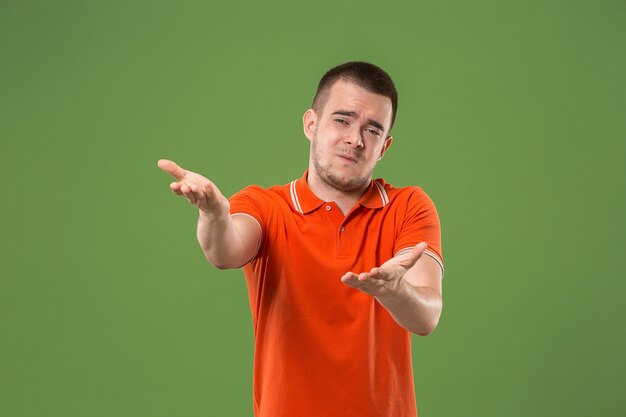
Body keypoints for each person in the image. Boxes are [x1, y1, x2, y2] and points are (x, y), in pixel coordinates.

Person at [158, 61, 444, 417]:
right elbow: (225, 250)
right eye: (342, 120)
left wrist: (394, 291)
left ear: (384, 147)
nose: (355, 139)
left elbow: (427, 317)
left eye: (372, 130)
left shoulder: (408, 207)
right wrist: (214, 215)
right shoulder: (265, 205)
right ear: (311, 124)